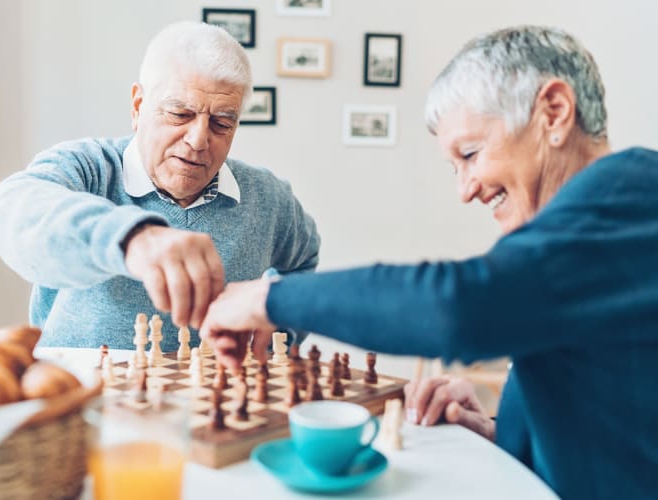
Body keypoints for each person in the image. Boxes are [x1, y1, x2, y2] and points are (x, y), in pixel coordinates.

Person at [201, 25, 658, 499]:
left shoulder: (627, 204)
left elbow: (457, 305)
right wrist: (500, 431)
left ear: (554, 112)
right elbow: (615, 414)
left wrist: (266, 297)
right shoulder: (597, 219)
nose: (466, 190)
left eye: (471, 154)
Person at [0, 21, 320, 350]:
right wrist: (132, 238)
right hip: (89, 397)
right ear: (138, 106)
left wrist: (279, 323)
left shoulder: (269, 198)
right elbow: (9, 210)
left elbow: (303, 263)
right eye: (179, 113)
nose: (199, 139)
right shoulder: (88, 168)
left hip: (213, 402)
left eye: (221, 122)